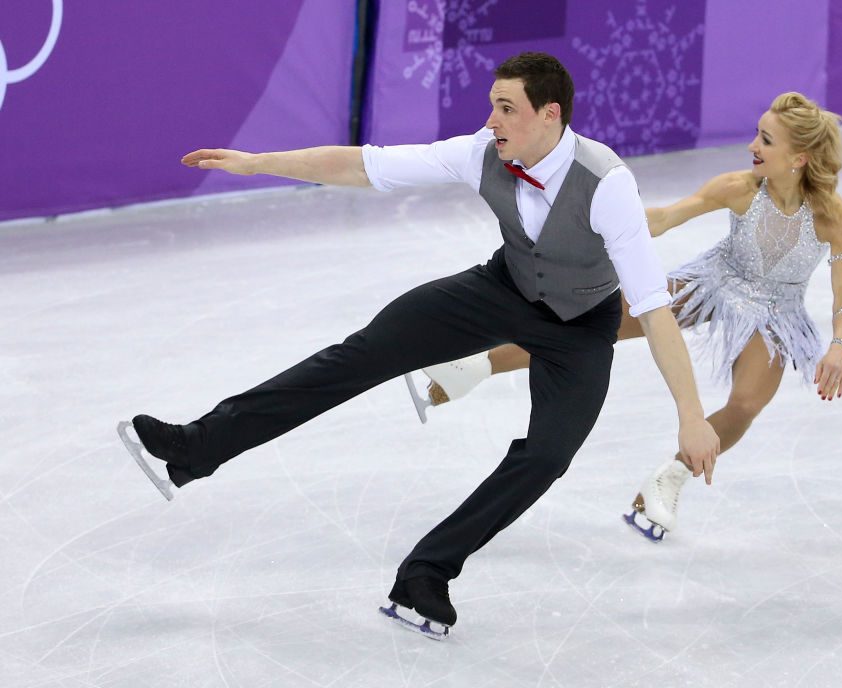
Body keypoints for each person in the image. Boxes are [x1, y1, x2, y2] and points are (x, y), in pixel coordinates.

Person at [116, 52, 719, 639]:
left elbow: (652, 308)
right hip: (500, 289)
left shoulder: (607, 182)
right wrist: (257, 163)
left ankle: (427, 572)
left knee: (547, 456)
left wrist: (690, 418)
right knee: (364, 353)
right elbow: (362, 166)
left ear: (550, 114)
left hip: (582, 324)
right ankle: (197, 446)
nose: (492, 121)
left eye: (507, 109)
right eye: (492, 105)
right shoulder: (483, 152)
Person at [408, 92, 842, 543]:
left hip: (777, 313)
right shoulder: (739, 188)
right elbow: (666, 217)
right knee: (596, 325)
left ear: (799, 157)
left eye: (766, 140)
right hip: (715, 281)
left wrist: (839, 347)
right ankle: (471, 367)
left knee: (747, 404)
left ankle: (670, 479)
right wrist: (608, 219)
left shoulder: (834, 218)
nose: (752, 147)